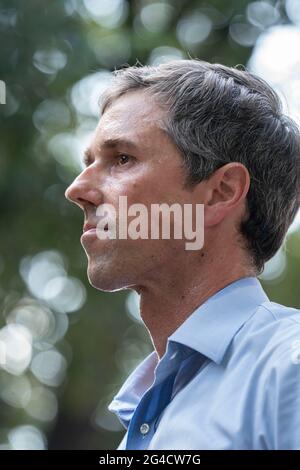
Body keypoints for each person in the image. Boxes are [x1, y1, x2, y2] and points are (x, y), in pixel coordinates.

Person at [65, 59, 300, 450]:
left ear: (221, 192)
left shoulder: (288, 370)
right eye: (88, 163)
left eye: (122, 158)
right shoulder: (145, 418)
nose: (77, 190)